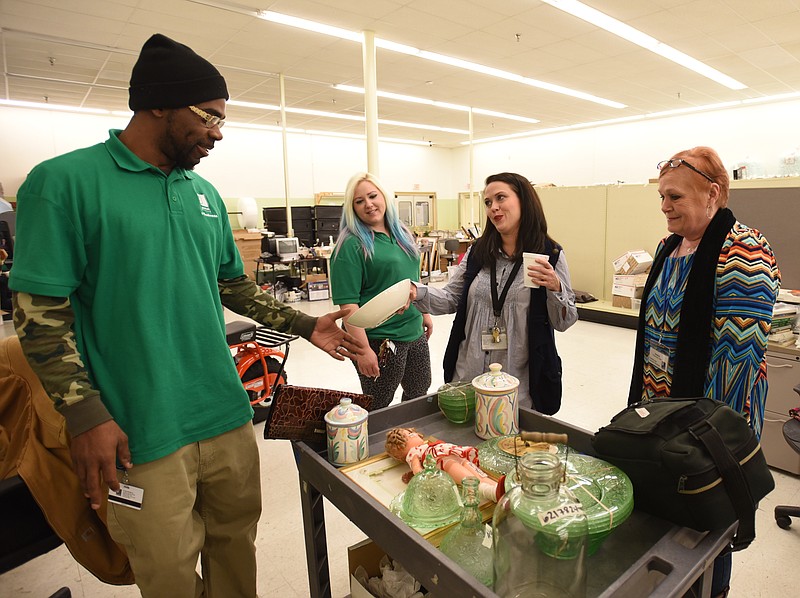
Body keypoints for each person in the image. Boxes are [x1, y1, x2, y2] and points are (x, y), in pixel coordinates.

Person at [8, 33, 363, 598]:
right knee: (168, 569)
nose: (217, 134)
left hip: (223, 411)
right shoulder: (63, 184)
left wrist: (305, 324)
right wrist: (84, 415)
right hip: (138, 426)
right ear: (157, 102)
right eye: (209, 117)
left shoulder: (204, 195)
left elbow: (232, 285)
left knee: (234, 544)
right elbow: (38, 314)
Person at [627, 146, 780, 598]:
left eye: (674, 197)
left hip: (710, 431)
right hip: (658, 412)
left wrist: (698, 444)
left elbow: (736, 366)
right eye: (661, 197)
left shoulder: (745, 252)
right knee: (666, 523)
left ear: (713, 193)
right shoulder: (669, 246)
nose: (664, 207)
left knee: (705, 523)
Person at [408, 172, 577, 414]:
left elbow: (564, 321)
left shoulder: (548, 254)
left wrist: (555, 287)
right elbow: (451, 299)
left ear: (523, 201)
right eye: (488, 202)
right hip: (467, 377)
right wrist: (416, 292)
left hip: (516, 389)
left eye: (500, 198)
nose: (493, 208)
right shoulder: (478, 252)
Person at [330, 172, 432, 409]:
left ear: (384, 196)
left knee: (418, 392)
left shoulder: (403, 235)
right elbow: (348, 306)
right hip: (378, 339)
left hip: (413, 330)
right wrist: (363, 350)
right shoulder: (351, 245)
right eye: (359, 201)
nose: (368, 204)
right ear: (352, 208)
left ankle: (408, 441)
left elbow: (412, 281)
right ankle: (375, 445)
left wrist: (424, 312)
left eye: (373, 196)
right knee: (378, 403)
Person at [385, 427, 504, 502]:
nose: (415, 434)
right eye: (410, 435)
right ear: (401, 447)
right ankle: (491, 493)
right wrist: (426, 478)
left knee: (477, 473)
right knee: (469, 478)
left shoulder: (425, 445)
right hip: (443, 463)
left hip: (454, 456)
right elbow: (417, 469)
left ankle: (500, 488)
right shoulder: (413, 453)